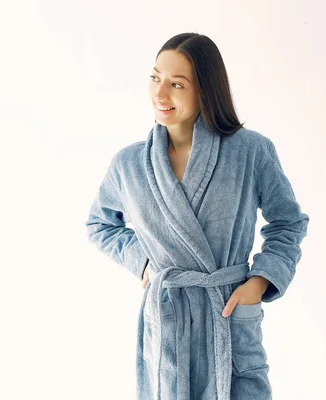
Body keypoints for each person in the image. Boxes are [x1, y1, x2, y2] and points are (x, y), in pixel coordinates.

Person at [85, 32, 309, 400]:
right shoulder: (128, 165)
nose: (160, 94)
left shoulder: (250, 152)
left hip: (228, 316)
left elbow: (288, 221)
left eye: (176, 84)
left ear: (204, 89)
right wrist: (144, 265)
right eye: (155, 78)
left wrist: (260, 282)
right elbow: (100, 224)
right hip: (169, 320)